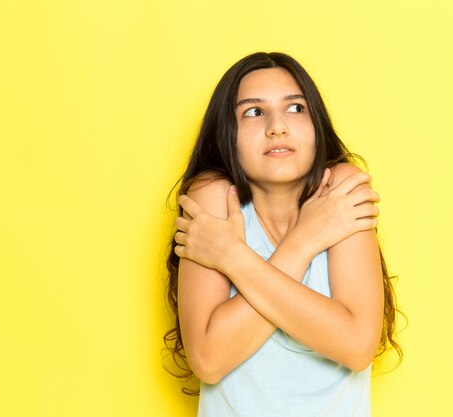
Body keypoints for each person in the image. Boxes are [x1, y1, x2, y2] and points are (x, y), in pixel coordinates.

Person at [164, 52, 401, 417]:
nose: (277, 126)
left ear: (315, 124)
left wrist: (232, 256)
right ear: (228, 132)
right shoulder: (214, 200)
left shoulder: (341, 191)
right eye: (253, 112)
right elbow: (209, 359)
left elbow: (356, 346)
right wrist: (306, 240)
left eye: (295, 108)